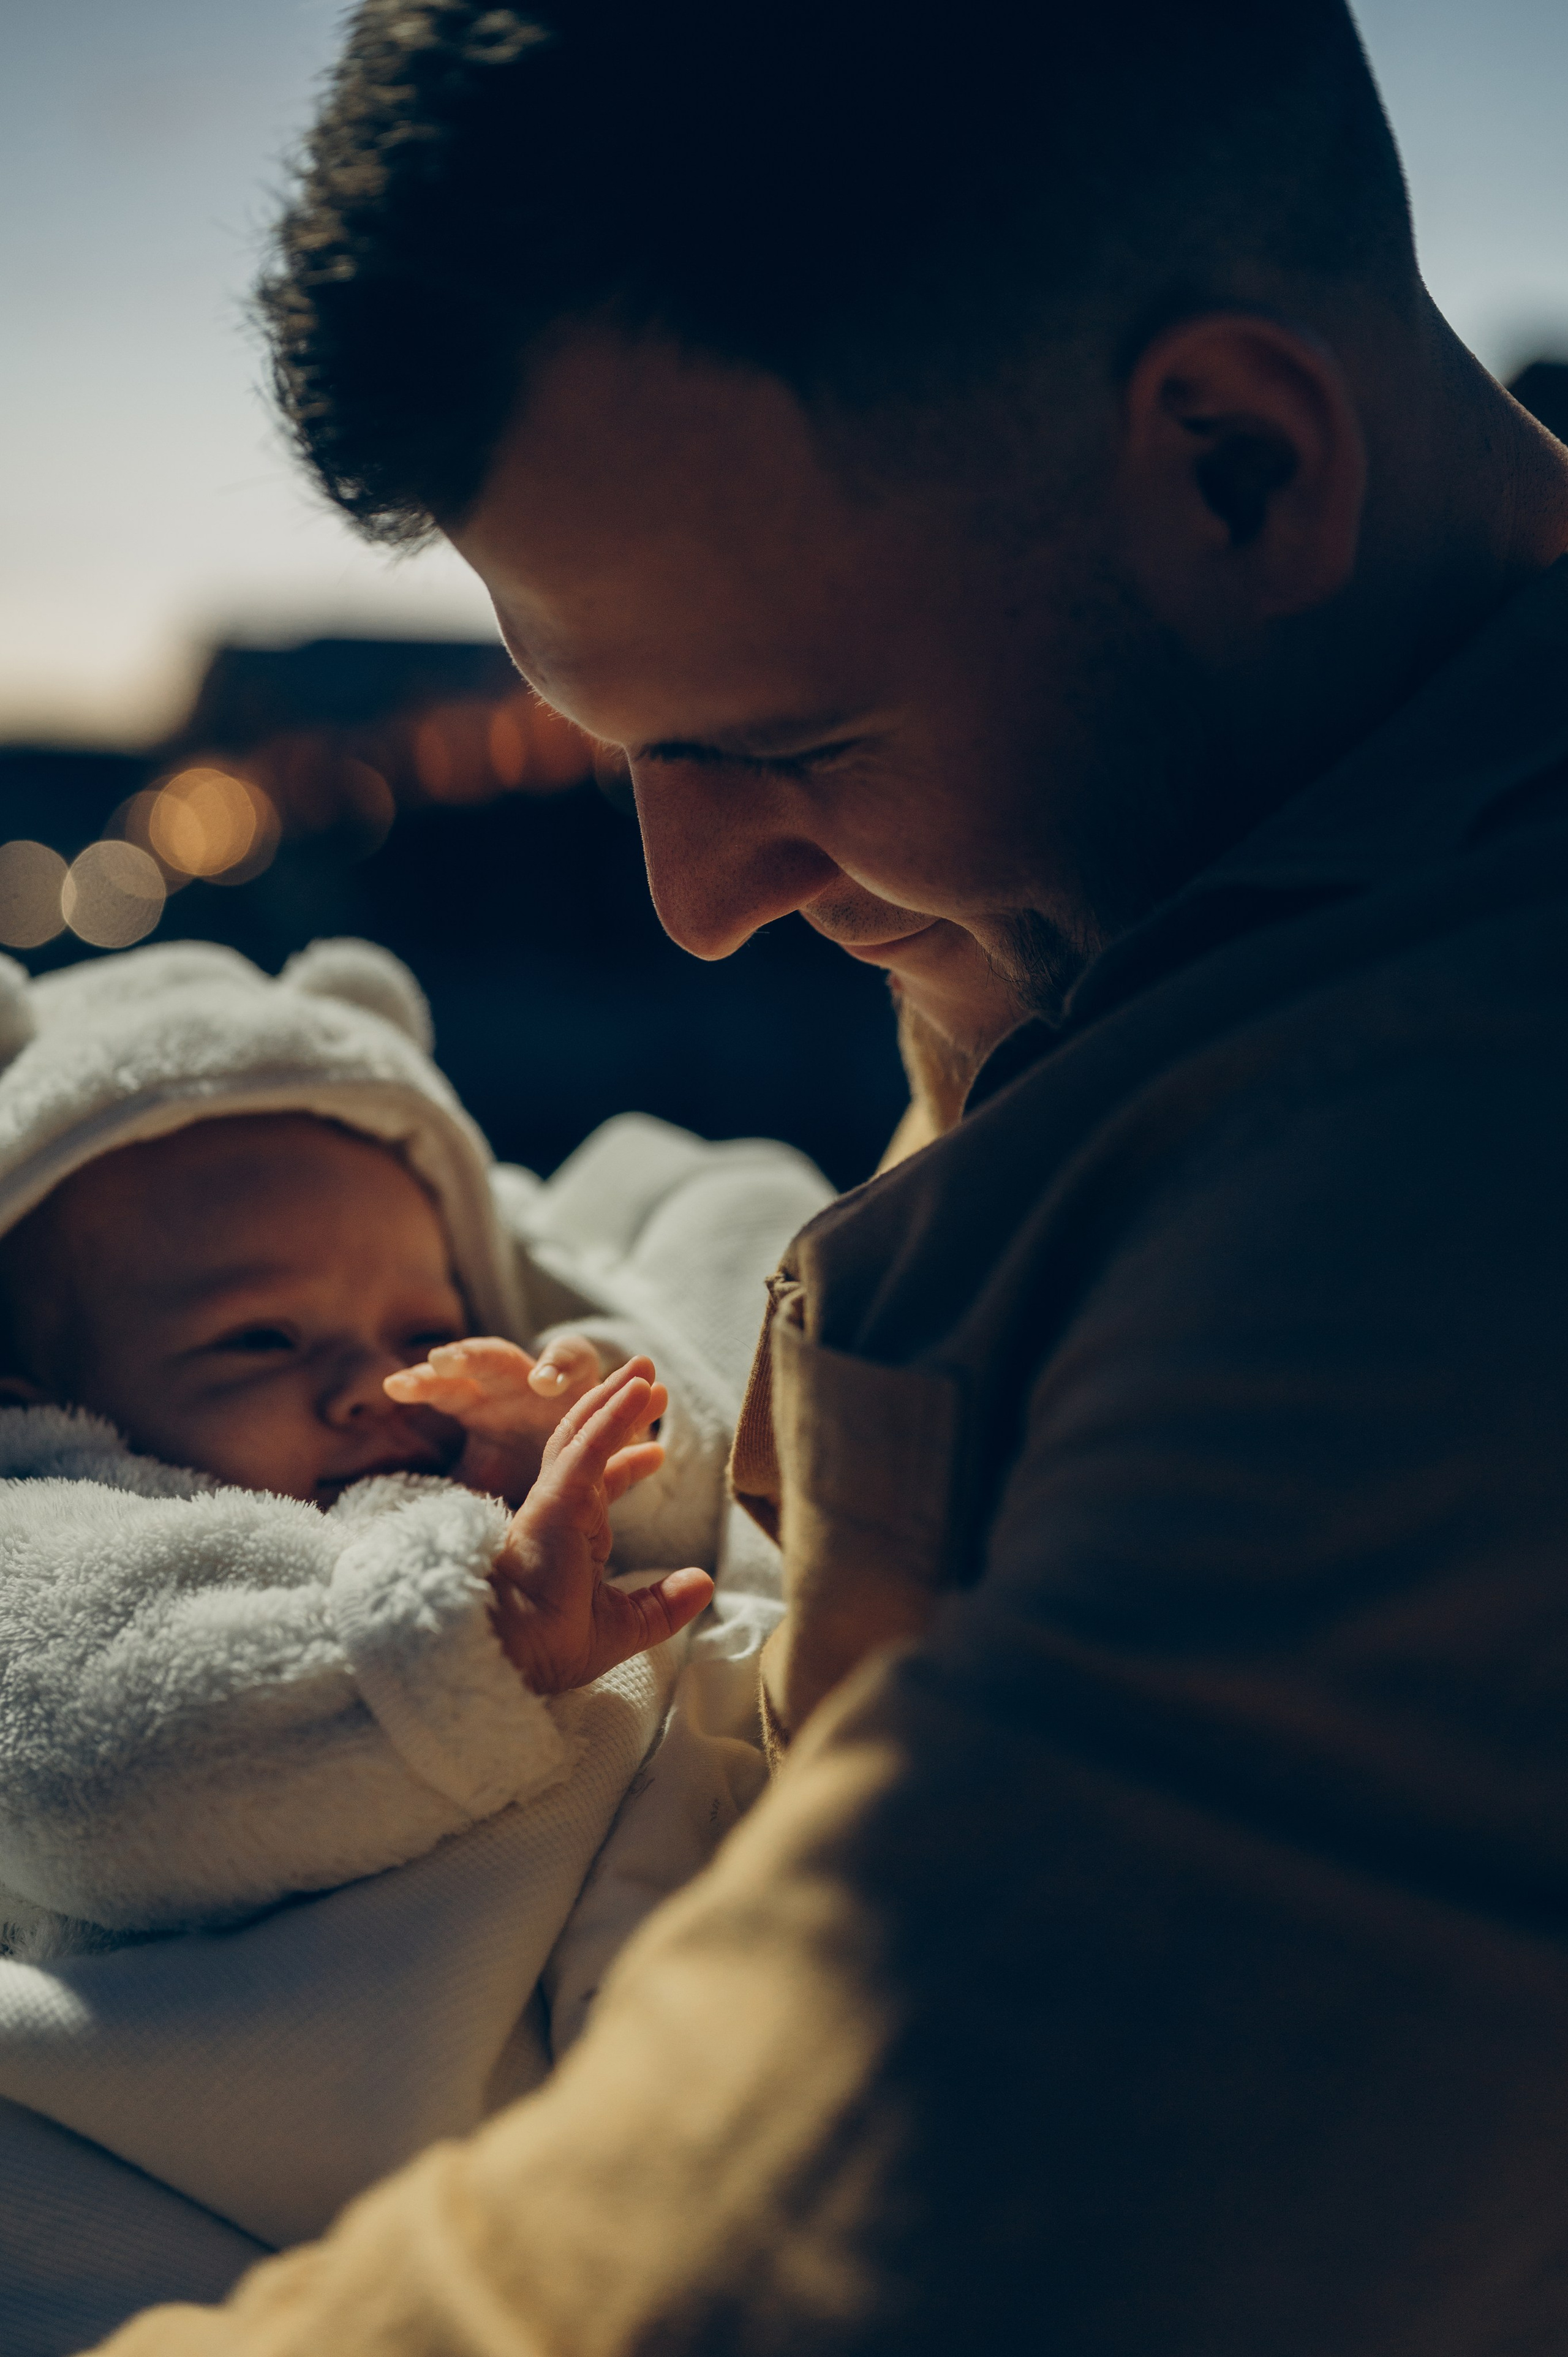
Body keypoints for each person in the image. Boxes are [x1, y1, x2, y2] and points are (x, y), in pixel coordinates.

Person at [94, 0, 1568, 2347]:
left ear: (1235, 467)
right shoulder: (1137, 845)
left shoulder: (1468, 1187)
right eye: (629, 761)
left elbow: (784, 2243)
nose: (696, 896)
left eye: (786, 743)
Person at [0, 937, 829, 2352]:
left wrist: (576, 1452)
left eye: (427, 1329)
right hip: (269, 2186)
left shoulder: (449, 1487)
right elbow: (116, 1750)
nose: (373, 1386)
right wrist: (458, 1641)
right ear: (42, 1394)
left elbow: (718, 1519)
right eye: (261, 1337)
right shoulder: (44, 1525)